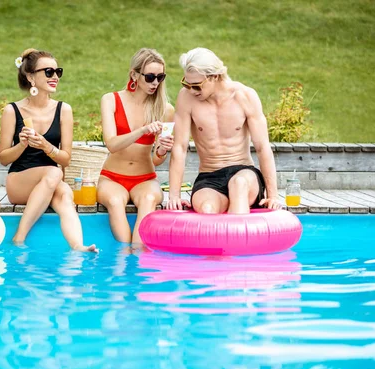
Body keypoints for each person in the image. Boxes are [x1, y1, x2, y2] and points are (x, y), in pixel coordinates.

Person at [0, 48, 97, 252]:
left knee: (64, 194)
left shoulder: (64, 110)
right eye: (48, 72)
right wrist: (22, 144)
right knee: (54, 172)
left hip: (50, 181)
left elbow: (66, 158)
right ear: (31, 77)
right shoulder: (12, 111)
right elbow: (3, 158)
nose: (55, 77)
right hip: (20, 181)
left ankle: (78, 245)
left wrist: (46, 146)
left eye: (57, 72)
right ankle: (19, 236)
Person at [167, 47, 281, 214]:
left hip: (243, 172)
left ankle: (238, 240)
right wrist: (174, 195)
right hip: (209, 176)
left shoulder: (245, 96)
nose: (191, 90)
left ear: (214, 76)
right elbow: (179, 147)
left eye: (197, 86)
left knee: (238, 185)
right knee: (206, 209)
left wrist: (273, 195)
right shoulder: (186, 98)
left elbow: (263, 147)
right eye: (186, 84)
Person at [97, 48, 175, 245]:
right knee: (115, 202)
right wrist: (142, 130)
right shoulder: (111, 100)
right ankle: (124, 259)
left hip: (145, 178)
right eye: (149, 77)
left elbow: (157, 160)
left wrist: (162, 149)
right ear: (134, 74)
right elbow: (112, 144)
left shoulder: (165, 109)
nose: (155, 83)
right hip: (112, 177)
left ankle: (137, 261)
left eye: (160, 77)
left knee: (149, 199)